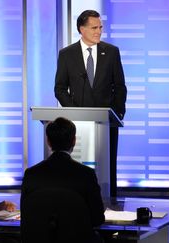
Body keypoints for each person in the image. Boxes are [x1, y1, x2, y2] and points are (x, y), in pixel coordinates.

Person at [54, 10, 127, 197]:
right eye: (94, 28)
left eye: (100, 27)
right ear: (82, 29)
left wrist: (117, 115)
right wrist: (74, 114)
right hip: (78, 125)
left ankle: (110, 202)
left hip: (106, 124)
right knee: (77, 167)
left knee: (107, 168)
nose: (99, 31)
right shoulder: (67, 54)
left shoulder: (111, 52)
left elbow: (120, 87)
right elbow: (60, 88)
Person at [21, 117, 105, 240]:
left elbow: (26, 216)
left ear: (48, 141)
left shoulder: (31, 174)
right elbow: (97, 219)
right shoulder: (86, 174)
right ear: (74, 141)